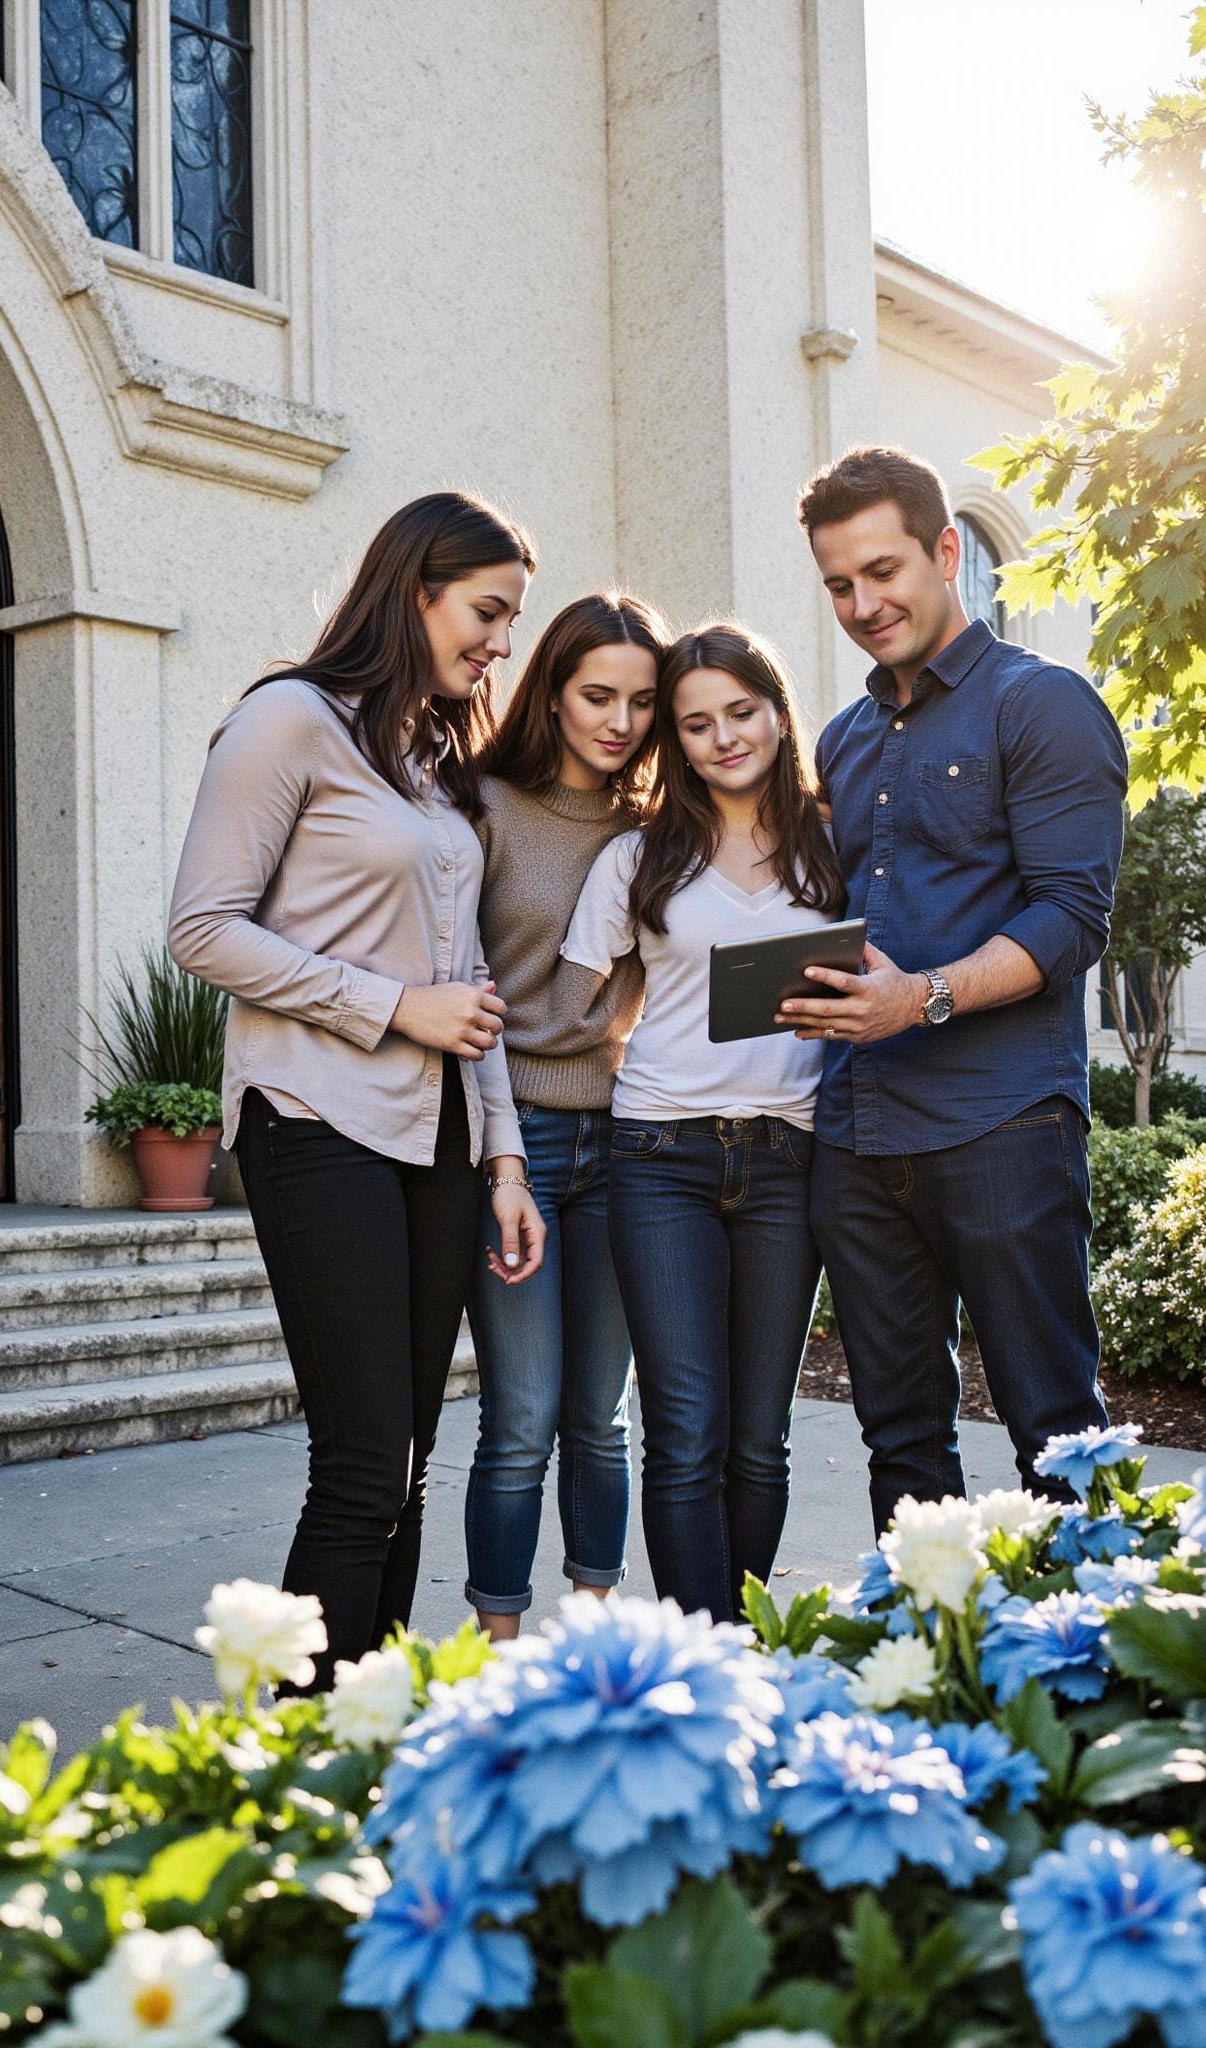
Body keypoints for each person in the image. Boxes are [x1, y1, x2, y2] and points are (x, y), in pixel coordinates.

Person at [168, 490, 547, 1690]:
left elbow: (469, 979)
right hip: (313, 1117)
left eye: (510, 619)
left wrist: (504, 1159)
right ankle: (285, 1753)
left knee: (413, 1455)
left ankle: (366, 1728)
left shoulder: (433, 760)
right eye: (486, 610)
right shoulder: (287, 721)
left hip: (436, 1135)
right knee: (361, 1461)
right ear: (415, 588)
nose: (499, 640)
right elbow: (201, 929)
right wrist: (387, 1006)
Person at [779, 445, 1127, 1535]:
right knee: (899, 1438)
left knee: (1056, 1432)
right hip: (854, 1133)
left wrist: (918, 998)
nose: (862, 603)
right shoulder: (837, 740)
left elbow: (1071, 916)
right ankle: (936, 1666)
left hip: (999, 1123)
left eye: (882, 570)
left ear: (945, 552)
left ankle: (1100, 1672)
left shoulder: (1041, 705)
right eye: (838, 583)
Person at [561, 623, 842, 1621]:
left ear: (775, 712)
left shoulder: (834, 842)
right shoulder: (638, 857)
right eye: (694, 723)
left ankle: (744, 1644)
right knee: (682, 1425)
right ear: (673, 741)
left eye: (738, 711)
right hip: (659, 1156)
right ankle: (699, 1650)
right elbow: (565, 1005)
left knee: (758, 1432)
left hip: (788, 1155)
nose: (721, 736)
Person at [462, 592, 671, 1639]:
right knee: (522, 1415)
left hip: (628, 1137)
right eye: (596, 693)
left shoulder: (659, 829)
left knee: (600, 1416)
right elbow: (463, 990)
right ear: (550, 688)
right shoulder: (484, 807)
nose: (619, 720)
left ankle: (588, 1636)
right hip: (516, 1141)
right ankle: (497, 1650)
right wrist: (502, 1156)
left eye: (641, 700)